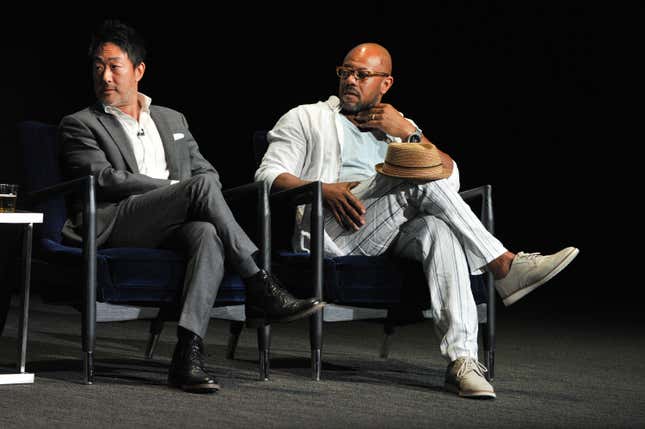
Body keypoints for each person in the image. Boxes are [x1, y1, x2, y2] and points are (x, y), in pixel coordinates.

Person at [255, 42, 579, 399]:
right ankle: (503, 264)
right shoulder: (307, 117)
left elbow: (449, 180)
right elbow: (268, 176)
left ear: (386, 84)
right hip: (335, 229)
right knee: (412, 171)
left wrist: (408, 131)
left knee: (438, 227)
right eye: (345, 72)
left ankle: (463, 362)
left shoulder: (398, 125)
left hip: (391, 231)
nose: (350, 80)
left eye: (362, 75)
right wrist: (322, 188)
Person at [59, 19, 325, 394]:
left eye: (114, 66)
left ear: (138, 70)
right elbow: (104, 179)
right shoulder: (80, 123)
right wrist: (176, 188)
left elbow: (206, 172)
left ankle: (188, 354)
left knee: (207, 233)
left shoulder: (172, 119)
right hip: (119, 219)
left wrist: (189, 191)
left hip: (174, 223)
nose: (105, 76)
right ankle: (259, 283)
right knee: (197, 189)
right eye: (98, 67)